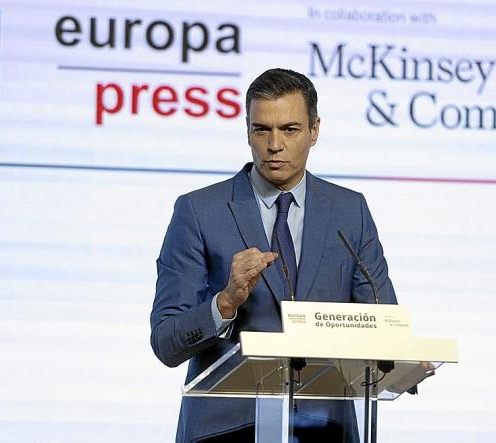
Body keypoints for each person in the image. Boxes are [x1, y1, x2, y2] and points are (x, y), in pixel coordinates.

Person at [150, 68, 397, 442]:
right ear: (247, 131)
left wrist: (399, 356)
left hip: (325, 427)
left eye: (290, 129)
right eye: (261, 129)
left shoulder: (350, 212)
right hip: (226, 428)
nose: (274, 144)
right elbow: (166, 341)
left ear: (314, 131)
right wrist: (225, 303)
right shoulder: (199, 211)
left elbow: (381, 322)